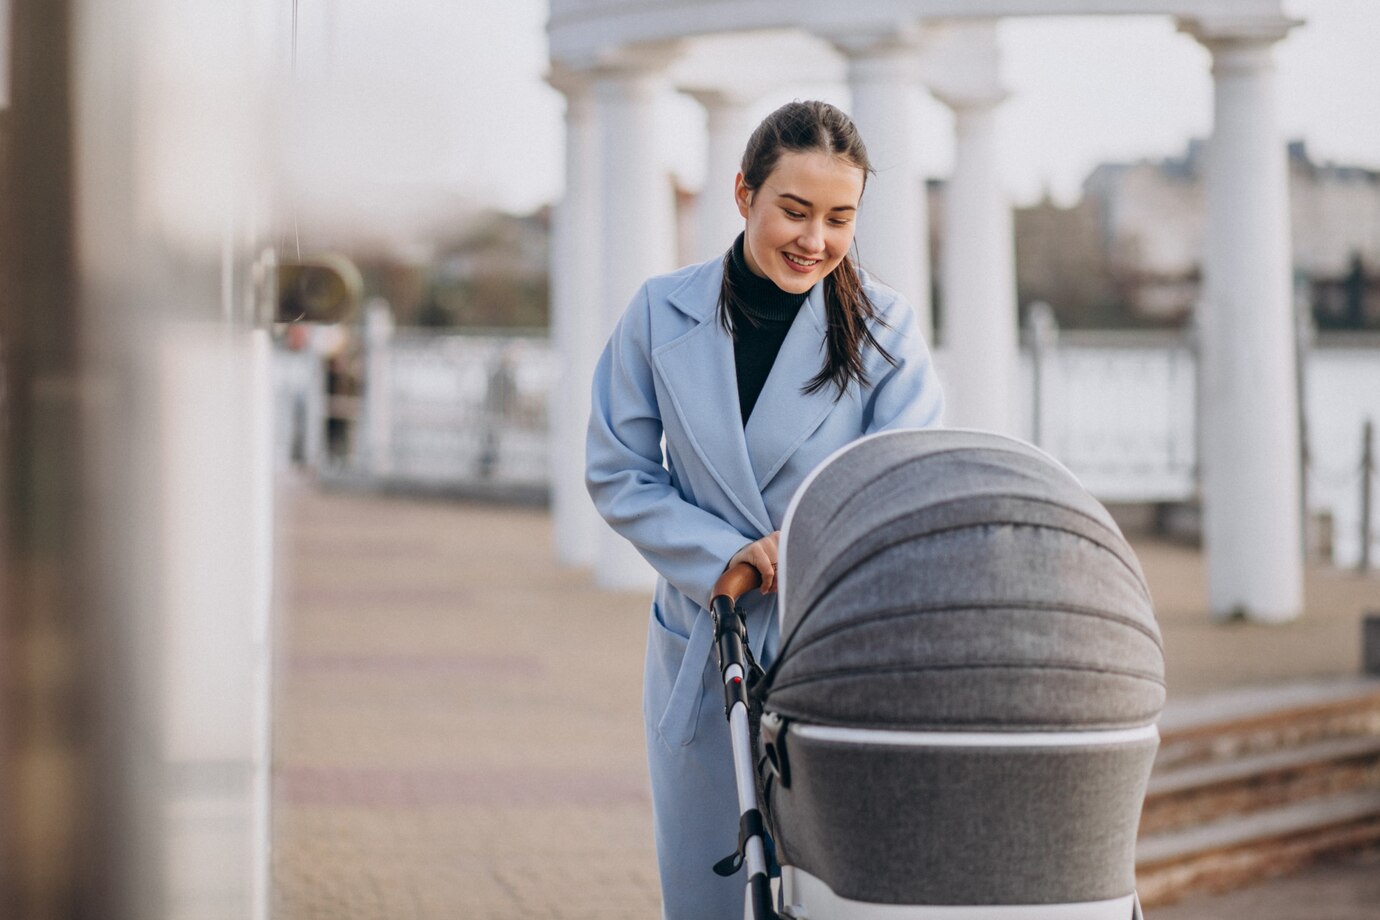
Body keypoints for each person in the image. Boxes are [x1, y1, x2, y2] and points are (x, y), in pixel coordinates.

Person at [586, 100, 944, 919]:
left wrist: (806, 544)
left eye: (839, 218)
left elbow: (906, 484)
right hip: (706, 643)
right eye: (794, 210)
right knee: (708, 890)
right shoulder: (657, 311)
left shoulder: (887, 329)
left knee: (835, 894)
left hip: (837, 649)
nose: (814, 239)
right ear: (744, 193)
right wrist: (725, 555)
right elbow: (618, 470)